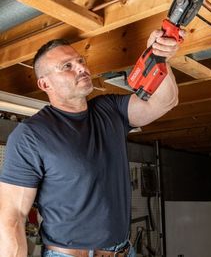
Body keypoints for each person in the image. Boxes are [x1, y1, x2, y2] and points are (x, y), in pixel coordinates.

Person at [0, 29, 180, 257]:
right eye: (67, 66)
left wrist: (160, 57)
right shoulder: (31, 135)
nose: (81, 68)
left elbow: (165, 101)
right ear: (45, 84)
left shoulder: (109, 109)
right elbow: (12, 216)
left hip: (123, 251)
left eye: (80, 61)